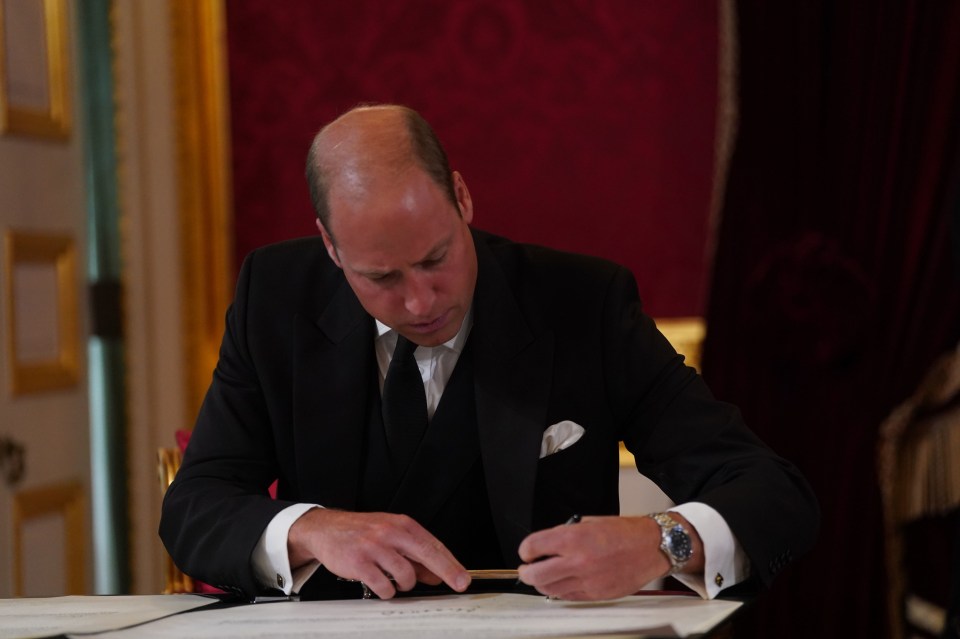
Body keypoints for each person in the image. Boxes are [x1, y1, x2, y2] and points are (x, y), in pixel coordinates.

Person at [160, 104, 819, 602]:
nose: (419, 301)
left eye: (435, 258)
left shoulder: (582, 304)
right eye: (381, 278)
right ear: (331, 249)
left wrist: (664, 539)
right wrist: (313, 528)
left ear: (462, 198)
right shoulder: (275, 299)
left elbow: (776, 494)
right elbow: (193, 506)